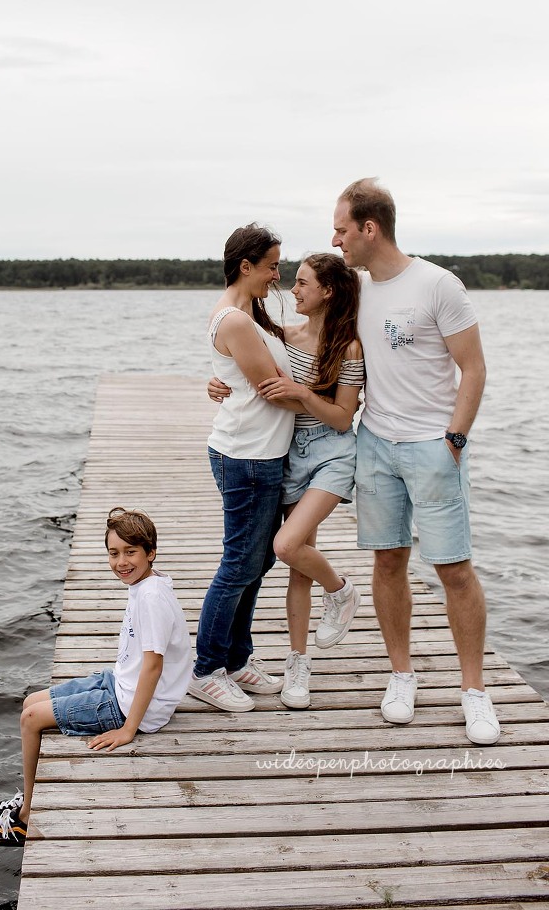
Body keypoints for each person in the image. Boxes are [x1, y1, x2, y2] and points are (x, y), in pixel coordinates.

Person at [332, 177, 500, 746]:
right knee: (387, 564)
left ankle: (474, 691)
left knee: (453, 568)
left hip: (433, 447)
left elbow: (472, 369)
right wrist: (229, 372)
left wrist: (454, 438)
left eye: (341, 229)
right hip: (375, 444)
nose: (337, 240)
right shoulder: (354, 291)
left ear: (369, 228)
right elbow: (304, 333)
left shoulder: (438, 285)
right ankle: (401, 675)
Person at [0, 506, 192, 847]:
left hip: (130, 705)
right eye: (113, 553)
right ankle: (29, 793)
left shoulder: (151, 599)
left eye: (131, 552)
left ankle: (26, 817)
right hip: (120, 683)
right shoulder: (148, 584)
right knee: (32, 701)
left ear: (151, 552)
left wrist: (129, 728)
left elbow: (153, 666)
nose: (121, 562)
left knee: (30, 719)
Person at [208, 253, 366, 709]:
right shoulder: (283, 336)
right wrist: (219, 384)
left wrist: (301, 392)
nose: (292, 290)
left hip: (332, 453)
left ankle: (340, 590)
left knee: (285, 545)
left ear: (328, 292)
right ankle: (298, 663)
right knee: (297, 563)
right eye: (292, 281)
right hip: (287, 454)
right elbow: (249, 375)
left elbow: (341, 418)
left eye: (302, 283)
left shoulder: (349, 347)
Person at [187, 223, 297, 713]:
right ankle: (206, 669)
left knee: (259, 561)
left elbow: (254, 371)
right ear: (246, 265)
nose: (278, 275)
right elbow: (273, 385)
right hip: (246, 456)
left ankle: (236, 658)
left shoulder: (250, 313)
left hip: (261, 452)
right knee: (238, 565)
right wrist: (338, 399)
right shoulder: (233, 319)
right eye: (272, 265)